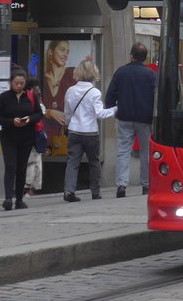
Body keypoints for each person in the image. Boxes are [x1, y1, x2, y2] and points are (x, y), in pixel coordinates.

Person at [104, 43, 157, 198]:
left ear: (131, 56)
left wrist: (113, 108)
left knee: (123, 151)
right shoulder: (150, 74)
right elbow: (156, 95)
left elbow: (110, 95)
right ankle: (146, 185)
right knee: (146, 152)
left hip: (125, 117)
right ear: (145, 57)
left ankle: (121, 184)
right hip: (145, 118)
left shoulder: (121, 72)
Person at [62, 57, 117, 201]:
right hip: (90, 132)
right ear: (94, 73)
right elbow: (100, 114)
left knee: (72, 162)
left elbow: (67, 113)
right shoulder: (95, 92)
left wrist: (68, 123)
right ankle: (95, 192)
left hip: (74, 130)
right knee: (94, 162)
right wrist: (116, 109)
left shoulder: (70, 91)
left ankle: (69, 191)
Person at [0, 70, 43, 210]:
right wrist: (11, 121)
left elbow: (39, 114)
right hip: (9, 136)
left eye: (22, 83)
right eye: (16, 83)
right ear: (10, 83)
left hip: (26, 137)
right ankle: (8, 198)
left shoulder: (30, 96)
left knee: (22, 168)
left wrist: (30, 119)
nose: (19, 86)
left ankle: (19, 199)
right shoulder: (4, 97)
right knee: (10, 166)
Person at [42, 39, 75, 146]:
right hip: (44, 133)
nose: (65, 55)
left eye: (68, 52)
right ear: (51, 52)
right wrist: (48, 112)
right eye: (62, 50)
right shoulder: (41, 77)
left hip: (67, 134)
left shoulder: (72, 74)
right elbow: (31, 105)